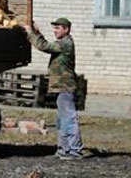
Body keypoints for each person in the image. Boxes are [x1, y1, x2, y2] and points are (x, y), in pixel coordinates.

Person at [24, 17, 83, 160]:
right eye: (54, 29)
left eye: (58, 28)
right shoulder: (62, 43)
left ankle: (75, 150)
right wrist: (38, 34)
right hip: (60, 87)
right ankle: (63, 150)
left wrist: (30, 33)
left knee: (69, 118)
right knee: (62, 120)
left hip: (65, 87)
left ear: (66, 29)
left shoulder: (66, 43)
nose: (55, 31)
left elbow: (44, 47)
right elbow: (47, 44)